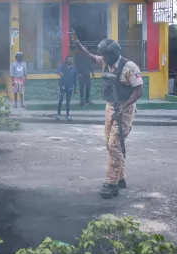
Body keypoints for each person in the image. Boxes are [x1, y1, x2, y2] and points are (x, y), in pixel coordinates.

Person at [72, 34, 143, 199]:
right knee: (109, 144)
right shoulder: (106, 61)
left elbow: (139, 91)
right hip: (110, 106)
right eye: (101, 55)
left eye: (105, 55)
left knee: (114, 145)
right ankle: (121, 178)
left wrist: (123, 107)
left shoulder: (130, 67)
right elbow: (88, 55)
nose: (102, 58)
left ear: (114, 54)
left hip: (125, 108)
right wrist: (77, 43)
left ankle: (111, 184)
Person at [56, 56, 77, 121]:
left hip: (70, 87)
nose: (71, 61)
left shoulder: (74, 68)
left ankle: (67, 115)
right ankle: (58, 114)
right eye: (69, 59)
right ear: (66, 60)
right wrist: (59, 72)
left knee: (68, 102)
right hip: (63, 86)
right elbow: (57, 70)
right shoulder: (63, 66)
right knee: (60, 100)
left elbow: (75, 79)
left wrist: (75, 88)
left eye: (71, 59)